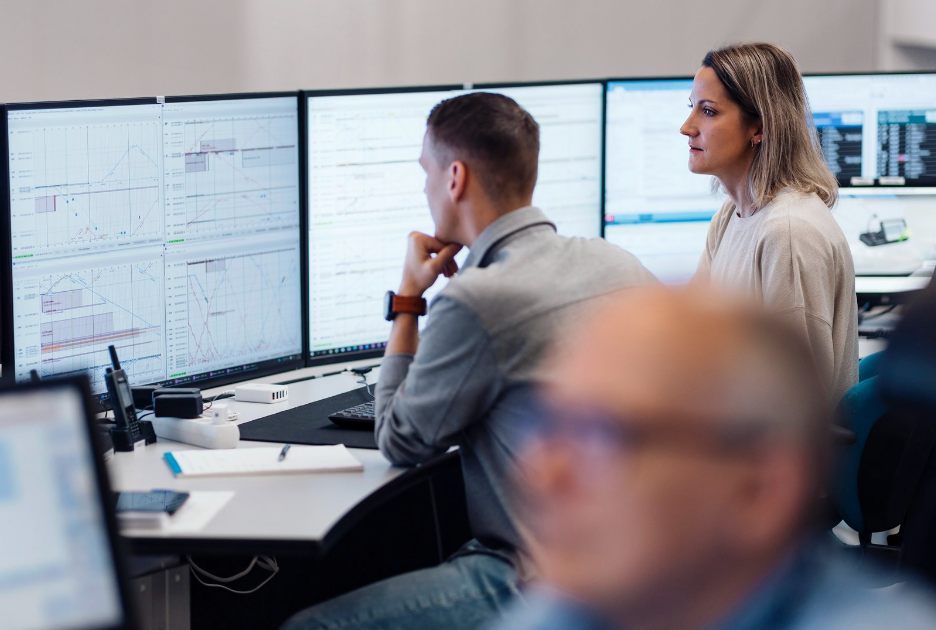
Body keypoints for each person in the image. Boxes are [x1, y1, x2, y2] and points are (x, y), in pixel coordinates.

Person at [279, 93, 656, 630]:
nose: (426, 188)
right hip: (644, 563)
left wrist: (410, 299)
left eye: (425, 173)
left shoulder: (479, 299)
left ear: (454, 178)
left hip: (547, 578)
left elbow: (400, 440)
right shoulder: (616, 263)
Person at [493, 286, 936, 630]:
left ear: (760, 488)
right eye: (547, 423)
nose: (539, 473)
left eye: (601, 436)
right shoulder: (573, 609)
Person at [683, 42, 858, 400]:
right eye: (692, 109)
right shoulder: (730, 216)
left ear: (759, 128)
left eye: (709, 112)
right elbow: (689, 333)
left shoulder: (788, 234)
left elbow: (797, 400)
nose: (687, 127)